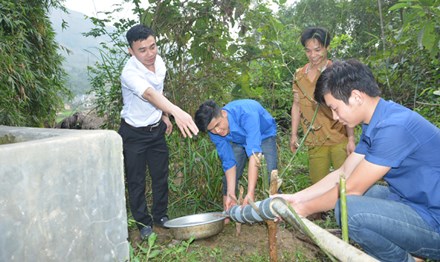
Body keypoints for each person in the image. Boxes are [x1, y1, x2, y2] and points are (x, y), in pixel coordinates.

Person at [277, 59, 440, 262]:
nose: (335, 117)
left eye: (335, 108)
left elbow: (351, 189)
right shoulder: (378, 121)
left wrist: (302, 210)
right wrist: (296, 198)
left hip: (435, 219)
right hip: (415, 203)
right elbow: (344, 172)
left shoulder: (394, 127)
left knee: (350, 209)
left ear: (355, 96)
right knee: (365, 195)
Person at [118, 24, 199, 240]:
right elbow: (149, 94)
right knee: (136, 181)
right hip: (133, 133)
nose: (149, 54)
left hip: (156, 131)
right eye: (142, 50)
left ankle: (160, 216)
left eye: (152, 47)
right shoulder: (129, 72)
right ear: (131, 51)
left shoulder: (159, 62)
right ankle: (143, 223)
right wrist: (176, 111)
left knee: (160, 175)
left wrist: (164, 116)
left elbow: (159, 91)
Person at [290, 27, 355, 184]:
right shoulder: (299, 76)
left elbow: (348, 107)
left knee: (345, 184)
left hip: (339, 138)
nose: (313, 55)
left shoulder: (336, 73)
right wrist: (293, 134)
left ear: (327, 47)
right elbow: (297, 105)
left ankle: (344, 209)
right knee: (318, 184)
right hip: (314, 141)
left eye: (317, 50)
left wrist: (351, 138)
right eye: (308, 51)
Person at [195, 99, 278, 211]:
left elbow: (254, 154)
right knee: (228, 180)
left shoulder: (247, 113)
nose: (218, 131)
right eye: (212, 129)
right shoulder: (214, 131)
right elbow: (228, 161)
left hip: (264, 135)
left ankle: (278, 211)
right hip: (238, 139)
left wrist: (250, 193)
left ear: (223, 114)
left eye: (218, 125)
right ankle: (228, 213)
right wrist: (231, 193)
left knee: (270, 175)